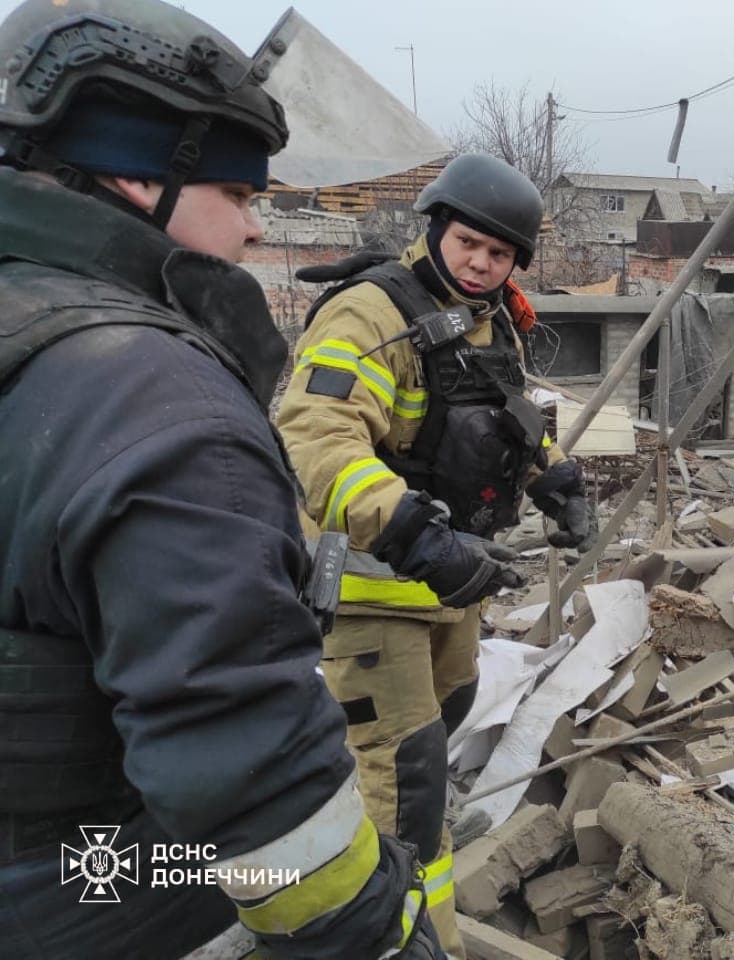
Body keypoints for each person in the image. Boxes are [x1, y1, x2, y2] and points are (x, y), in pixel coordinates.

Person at [0, 1, 444, 957]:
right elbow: (254, 786)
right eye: (240, 196)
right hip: (88, 874)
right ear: (135, 173)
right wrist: (379, 935)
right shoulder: (156, 403)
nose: (253, 230)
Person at [276, 151, 597, 958]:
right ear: (435, 229)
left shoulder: (491, 324)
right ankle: (400, 938)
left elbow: (509, 420)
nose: (481, 263)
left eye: (499, 254)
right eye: (468, 244)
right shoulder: (372, 313)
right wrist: (412, 533)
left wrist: (557, 479)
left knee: (431, 760)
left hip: (450, 590)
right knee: (402, 775)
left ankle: (415, 907)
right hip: (372, 585)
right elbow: (315, 438)